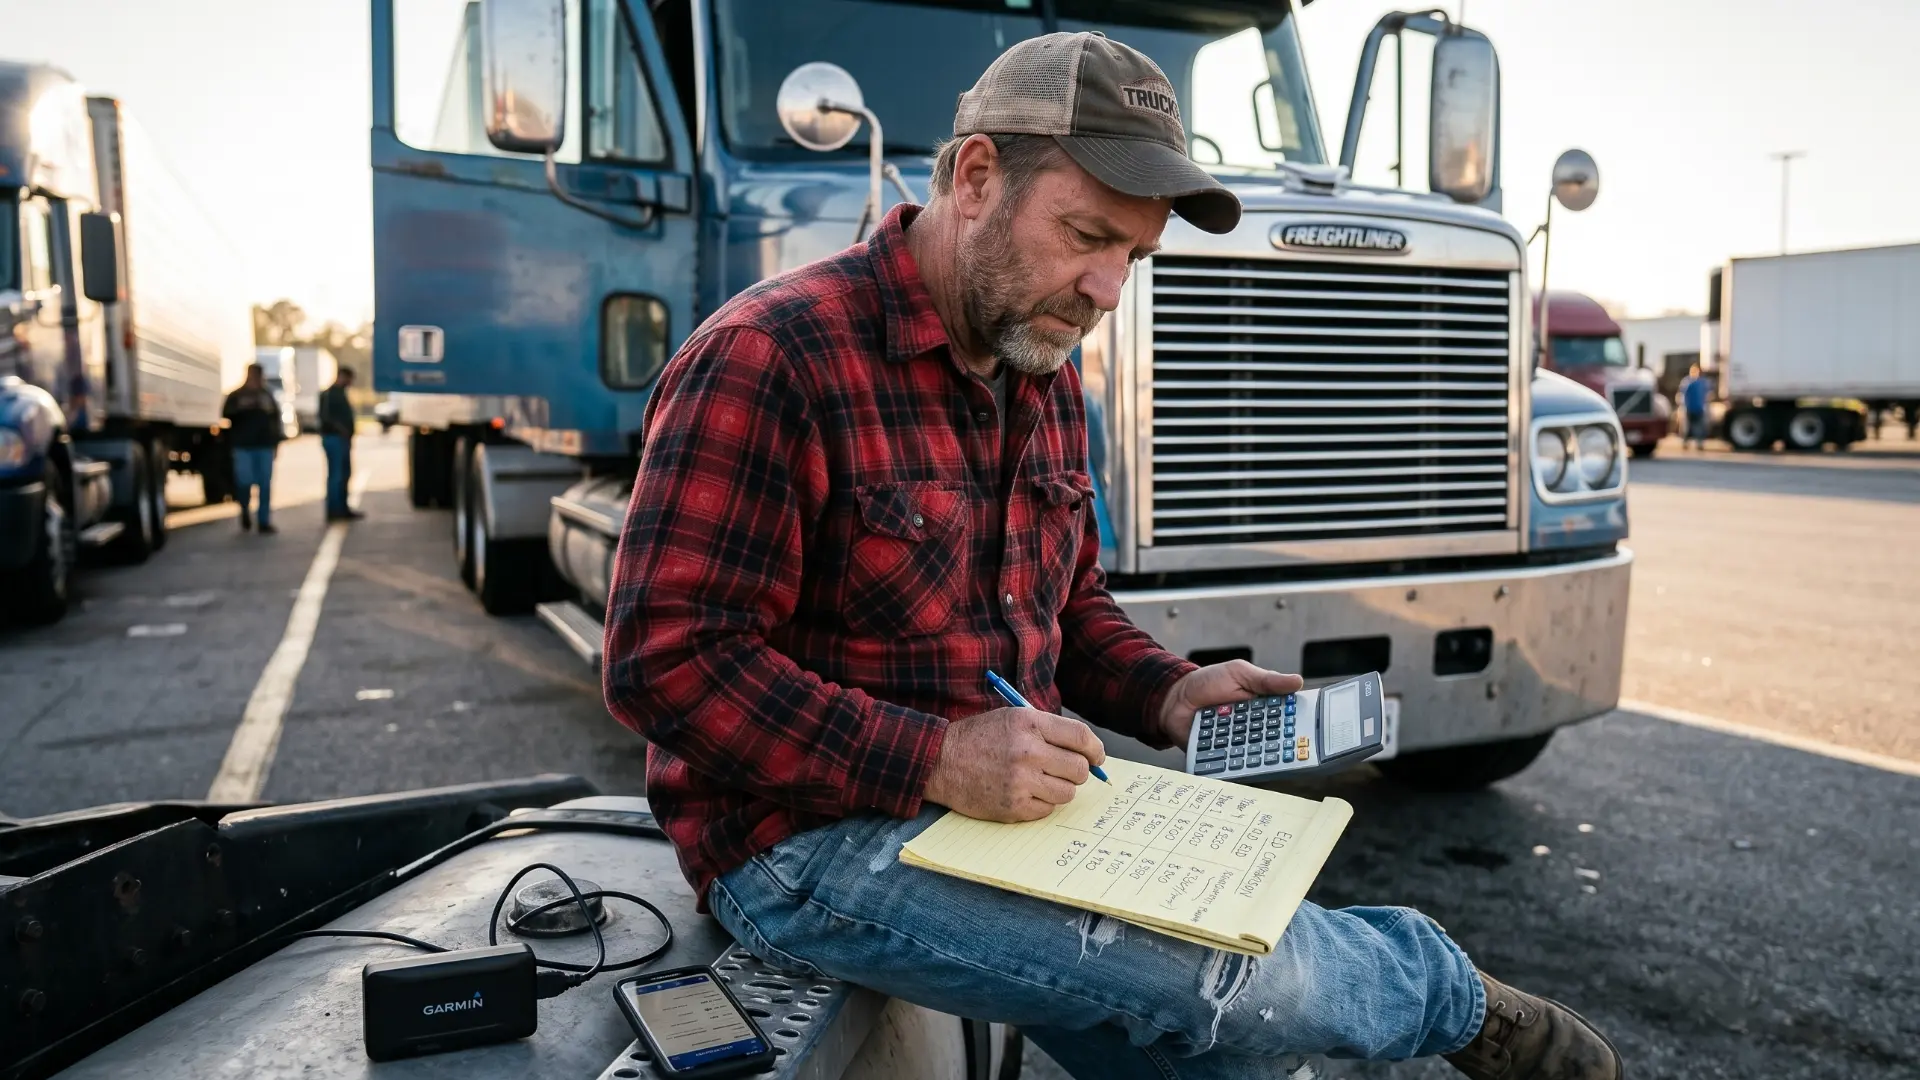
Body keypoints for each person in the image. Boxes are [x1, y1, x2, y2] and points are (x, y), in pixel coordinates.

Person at [603, 33, 1621, 1080]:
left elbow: (1066, 606)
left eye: (1133, 256)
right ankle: (1451, 997)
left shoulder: (1035, 365)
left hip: (1010, 811)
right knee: (1224, 975)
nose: (1106, 289)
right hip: (800, 844)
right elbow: (664, 661)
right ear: (976, 177)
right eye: (1086, 235)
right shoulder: (770, 355)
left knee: (1236, 1058)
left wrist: (1168, 693)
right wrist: (937, 758)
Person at [220, 364, 283, 535]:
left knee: (265, 485)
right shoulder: (237, 395)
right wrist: (243, 407)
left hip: (264, 445)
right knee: (244, 482)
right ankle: (245, 510)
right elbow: (226, 414)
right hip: (243, 446)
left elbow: (276, 420)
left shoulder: (267, 396)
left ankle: (264, 521)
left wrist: (276, 443)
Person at [319, 367, 363, 521]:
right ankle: (334, 509)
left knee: (344, 474)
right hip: (334, 439)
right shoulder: (330, 394)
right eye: (349, 379)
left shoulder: (340, 394)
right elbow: (326, 418)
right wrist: (342, 430)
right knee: (336, 475)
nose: (350, 383)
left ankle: (342, 508)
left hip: (342, 439)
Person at [1679, 364, 1711, 449]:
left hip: (1699, 408)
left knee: (1699, 427)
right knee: (1687, 427)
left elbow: (1707, 394)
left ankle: (1699, 444)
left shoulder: (1702, 382)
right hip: (1689, 408)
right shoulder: (1687, 382)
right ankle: (1685, 443)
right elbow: (1682, 395)